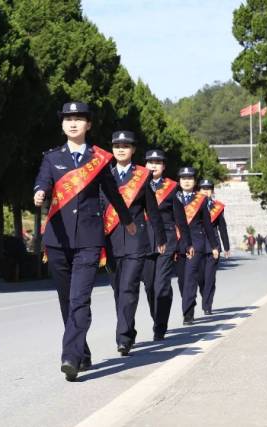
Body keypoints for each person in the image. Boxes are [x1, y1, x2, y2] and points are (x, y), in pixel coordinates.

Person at [33, 102, 136, 381]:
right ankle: (82, 351)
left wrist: (127, 221)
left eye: (79, 119)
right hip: (57, 240)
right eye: (68, 119)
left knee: (80, 298)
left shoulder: (99, 159)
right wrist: (39, 192)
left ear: (88, 125)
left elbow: (113, 194)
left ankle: (69, 357)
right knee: (66, 300)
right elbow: (42, 181)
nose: (73, 123)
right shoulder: (51, 158)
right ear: (62, 124)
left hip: (89, 239)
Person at [104, 131, 166, 356]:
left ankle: (122, 338)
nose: (120, 149)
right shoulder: (105, 175)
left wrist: (160, 237)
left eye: (125, 145)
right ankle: (128, 331)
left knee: (129, 287)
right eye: (116, 145)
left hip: (135, 240)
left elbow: (152, 209)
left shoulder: (142, 176)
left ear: (133, 150)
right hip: (110, 241)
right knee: (118, 290)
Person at [141, 149, 193, 341]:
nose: (153, 165)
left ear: (164, 166)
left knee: (161, 284)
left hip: (167, 241)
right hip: (144, 240)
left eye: (158, 162)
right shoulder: (136, 184)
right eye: (150, 162)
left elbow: (180, 219)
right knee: (148, 286)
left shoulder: (173, 188)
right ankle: (157, 317)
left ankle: (160, 326)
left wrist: (186, 243)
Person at [175, 167, 218, 325]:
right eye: (183, 178)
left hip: (196, 243)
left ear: (194, 181)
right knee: (182, 280)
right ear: (179, 181)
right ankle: (189, 303)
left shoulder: (201, 200)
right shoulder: (174, 197)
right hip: (178, 243)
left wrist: (214, 246)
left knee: (191, 278)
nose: (187, 181)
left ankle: (188, 314)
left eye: (190, 178)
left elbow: (207, 225)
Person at [197, 179, 230, 315]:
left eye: (208, 188)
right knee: (200, 278)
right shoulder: (193, 205)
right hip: (197, 244)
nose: (205, 190)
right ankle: (205, 297)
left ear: (212, 191)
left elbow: (222, 228)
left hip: (213, 246)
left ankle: (207, 304)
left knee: (210, 276)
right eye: (203, 188)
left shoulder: (217, 207)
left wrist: (226, 247)